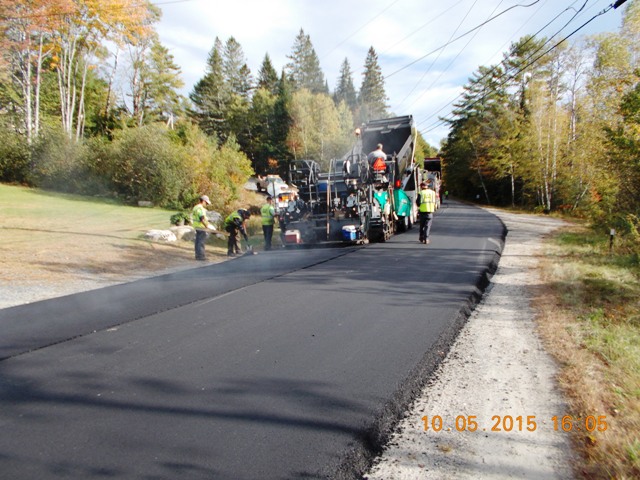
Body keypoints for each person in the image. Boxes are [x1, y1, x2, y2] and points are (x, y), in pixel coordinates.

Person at [191, 195, 214, 261]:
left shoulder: (196, 207)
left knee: (198, 241)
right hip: (201, 227)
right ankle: (201, 256)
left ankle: (197, 255)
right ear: (203, 201)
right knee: (201, 242)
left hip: (197, 226)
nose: (206, 204)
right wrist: (207, 226)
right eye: (206, 203)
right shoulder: (200, 208)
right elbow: (202, 218)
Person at [416, 180, 437, 244]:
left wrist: (419, 206)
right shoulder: (433, 193)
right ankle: (426, 238)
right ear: (427, 186)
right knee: (427, 226)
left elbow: (418, 202)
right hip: (430, 212)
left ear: (422, 187)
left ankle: (421, 237)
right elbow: (434, 201)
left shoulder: (421, 193)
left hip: (422, 212)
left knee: (422, 226)